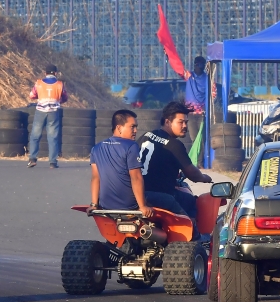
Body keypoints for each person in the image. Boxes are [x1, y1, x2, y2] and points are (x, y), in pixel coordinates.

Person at [137, 101, 212, 239]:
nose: (185, 126)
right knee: (190, 201)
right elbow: (193, 174)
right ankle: (195, 241)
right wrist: (205, 178)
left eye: (186, 122)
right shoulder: (175, 145)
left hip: (136, 194)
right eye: (181, 122)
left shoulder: (147, 135)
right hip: (160, 195)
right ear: (167, 121)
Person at [88, 110, 153, 218]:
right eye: (132, 127)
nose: (136, 130)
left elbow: (95, 178)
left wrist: (94, 205)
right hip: (130, 206)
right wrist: (142, 206)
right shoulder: (131, 146)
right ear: (119, 128)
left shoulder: (96, 148)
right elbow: (136, 177)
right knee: (169, 200)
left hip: (106, 206)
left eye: (136, 127)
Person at [28, 64, 68, 169]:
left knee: (35, 135)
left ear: (45, 73)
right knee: (53, 137)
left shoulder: (39, 83)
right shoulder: (60, 84)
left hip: (40, 111)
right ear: (55, 73)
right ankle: (53, 162)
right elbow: (65, 97)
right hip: (54, 112)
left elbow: (32, 95)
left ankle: (32, 158)